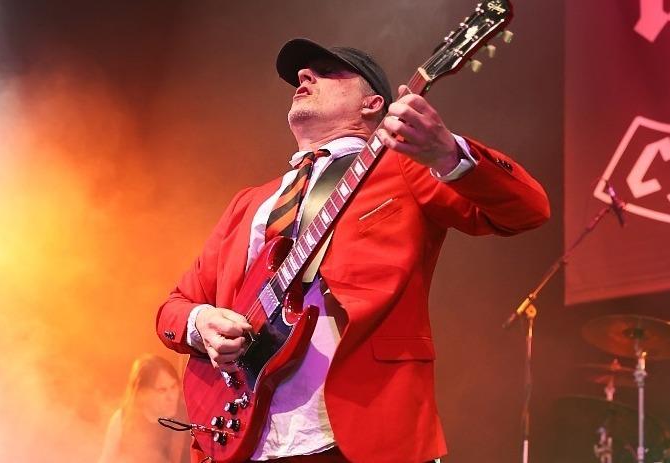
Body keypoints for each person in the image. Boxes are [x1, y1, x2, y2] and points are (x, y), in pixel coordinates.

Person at [156, 38, 550, 463]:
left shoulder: (405, 168)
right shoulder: (250, 203)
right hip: (242, 440)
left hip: (359, 434)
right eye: (303, 73)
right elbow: (174, 307)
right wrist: (203, 322)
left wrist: (447, 153)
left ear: (373, 104)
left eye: (326, 70)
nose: (304, 76)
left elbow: (526, 210)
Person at [98, 354, 188, 463]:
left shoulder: (187, 419)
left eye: (173, 387)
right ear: (142, 393)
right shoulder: (123, 419)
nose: (172, 397)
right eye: (162, 390)